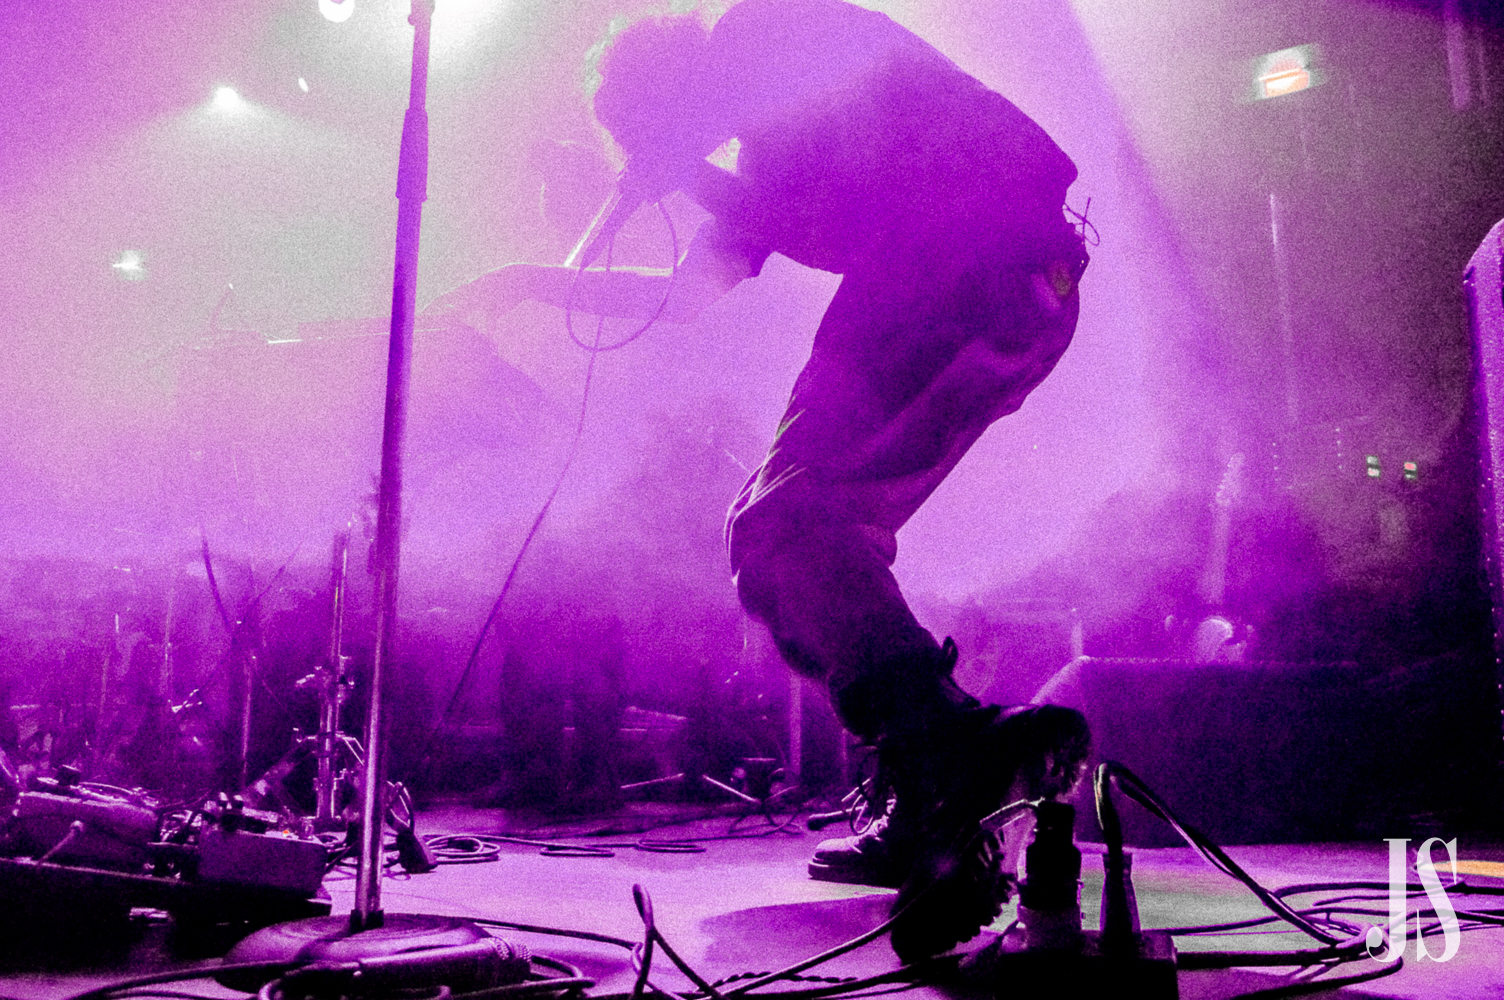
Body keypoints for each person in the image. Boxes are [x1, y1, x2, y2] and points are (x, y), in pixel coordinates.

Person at [427, 0, 1092, 961]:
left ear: (663, 85)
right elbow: (682, 300)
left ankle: (956, 752)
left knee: (786, 524)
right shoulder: (752, 159)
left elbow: (849, 206)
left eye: (640, 130)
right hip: (993, 287)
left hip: (962, 264)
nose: (650, 155)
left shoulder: (765, 29)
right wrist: (530, 280)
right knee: (784, 537)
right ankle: (930, 785)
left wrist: (688, 170)